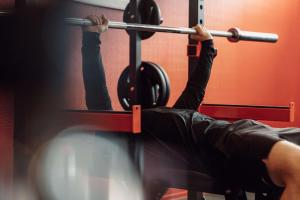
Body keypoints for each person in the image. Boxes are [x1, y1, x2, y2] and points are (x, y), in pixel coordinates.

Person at [81, 15, 300, 200]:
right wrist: (208, 46)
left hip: (241, 141)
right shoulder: (160, 139)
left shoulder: (141, 131)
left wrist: (208, 46)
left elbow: (98, 98)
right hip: (239, 146)